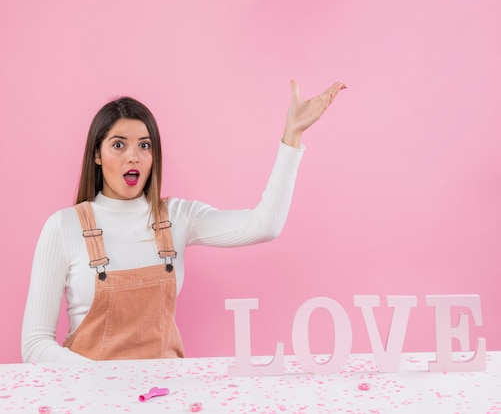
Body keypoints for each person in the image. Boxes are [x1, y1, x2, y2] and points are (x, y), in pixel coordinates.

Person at [22, 79, 346, 364]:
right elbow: (35, 344)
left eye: (144, 145)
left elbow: (263, 225)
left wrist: (292, 136)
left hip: (165, 397)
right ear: (97, 154)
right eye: (118, 144)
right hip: (92, 400)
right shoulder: (64, 227)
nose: (133, 156)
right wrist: (100, 379)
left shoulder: (178, 217)